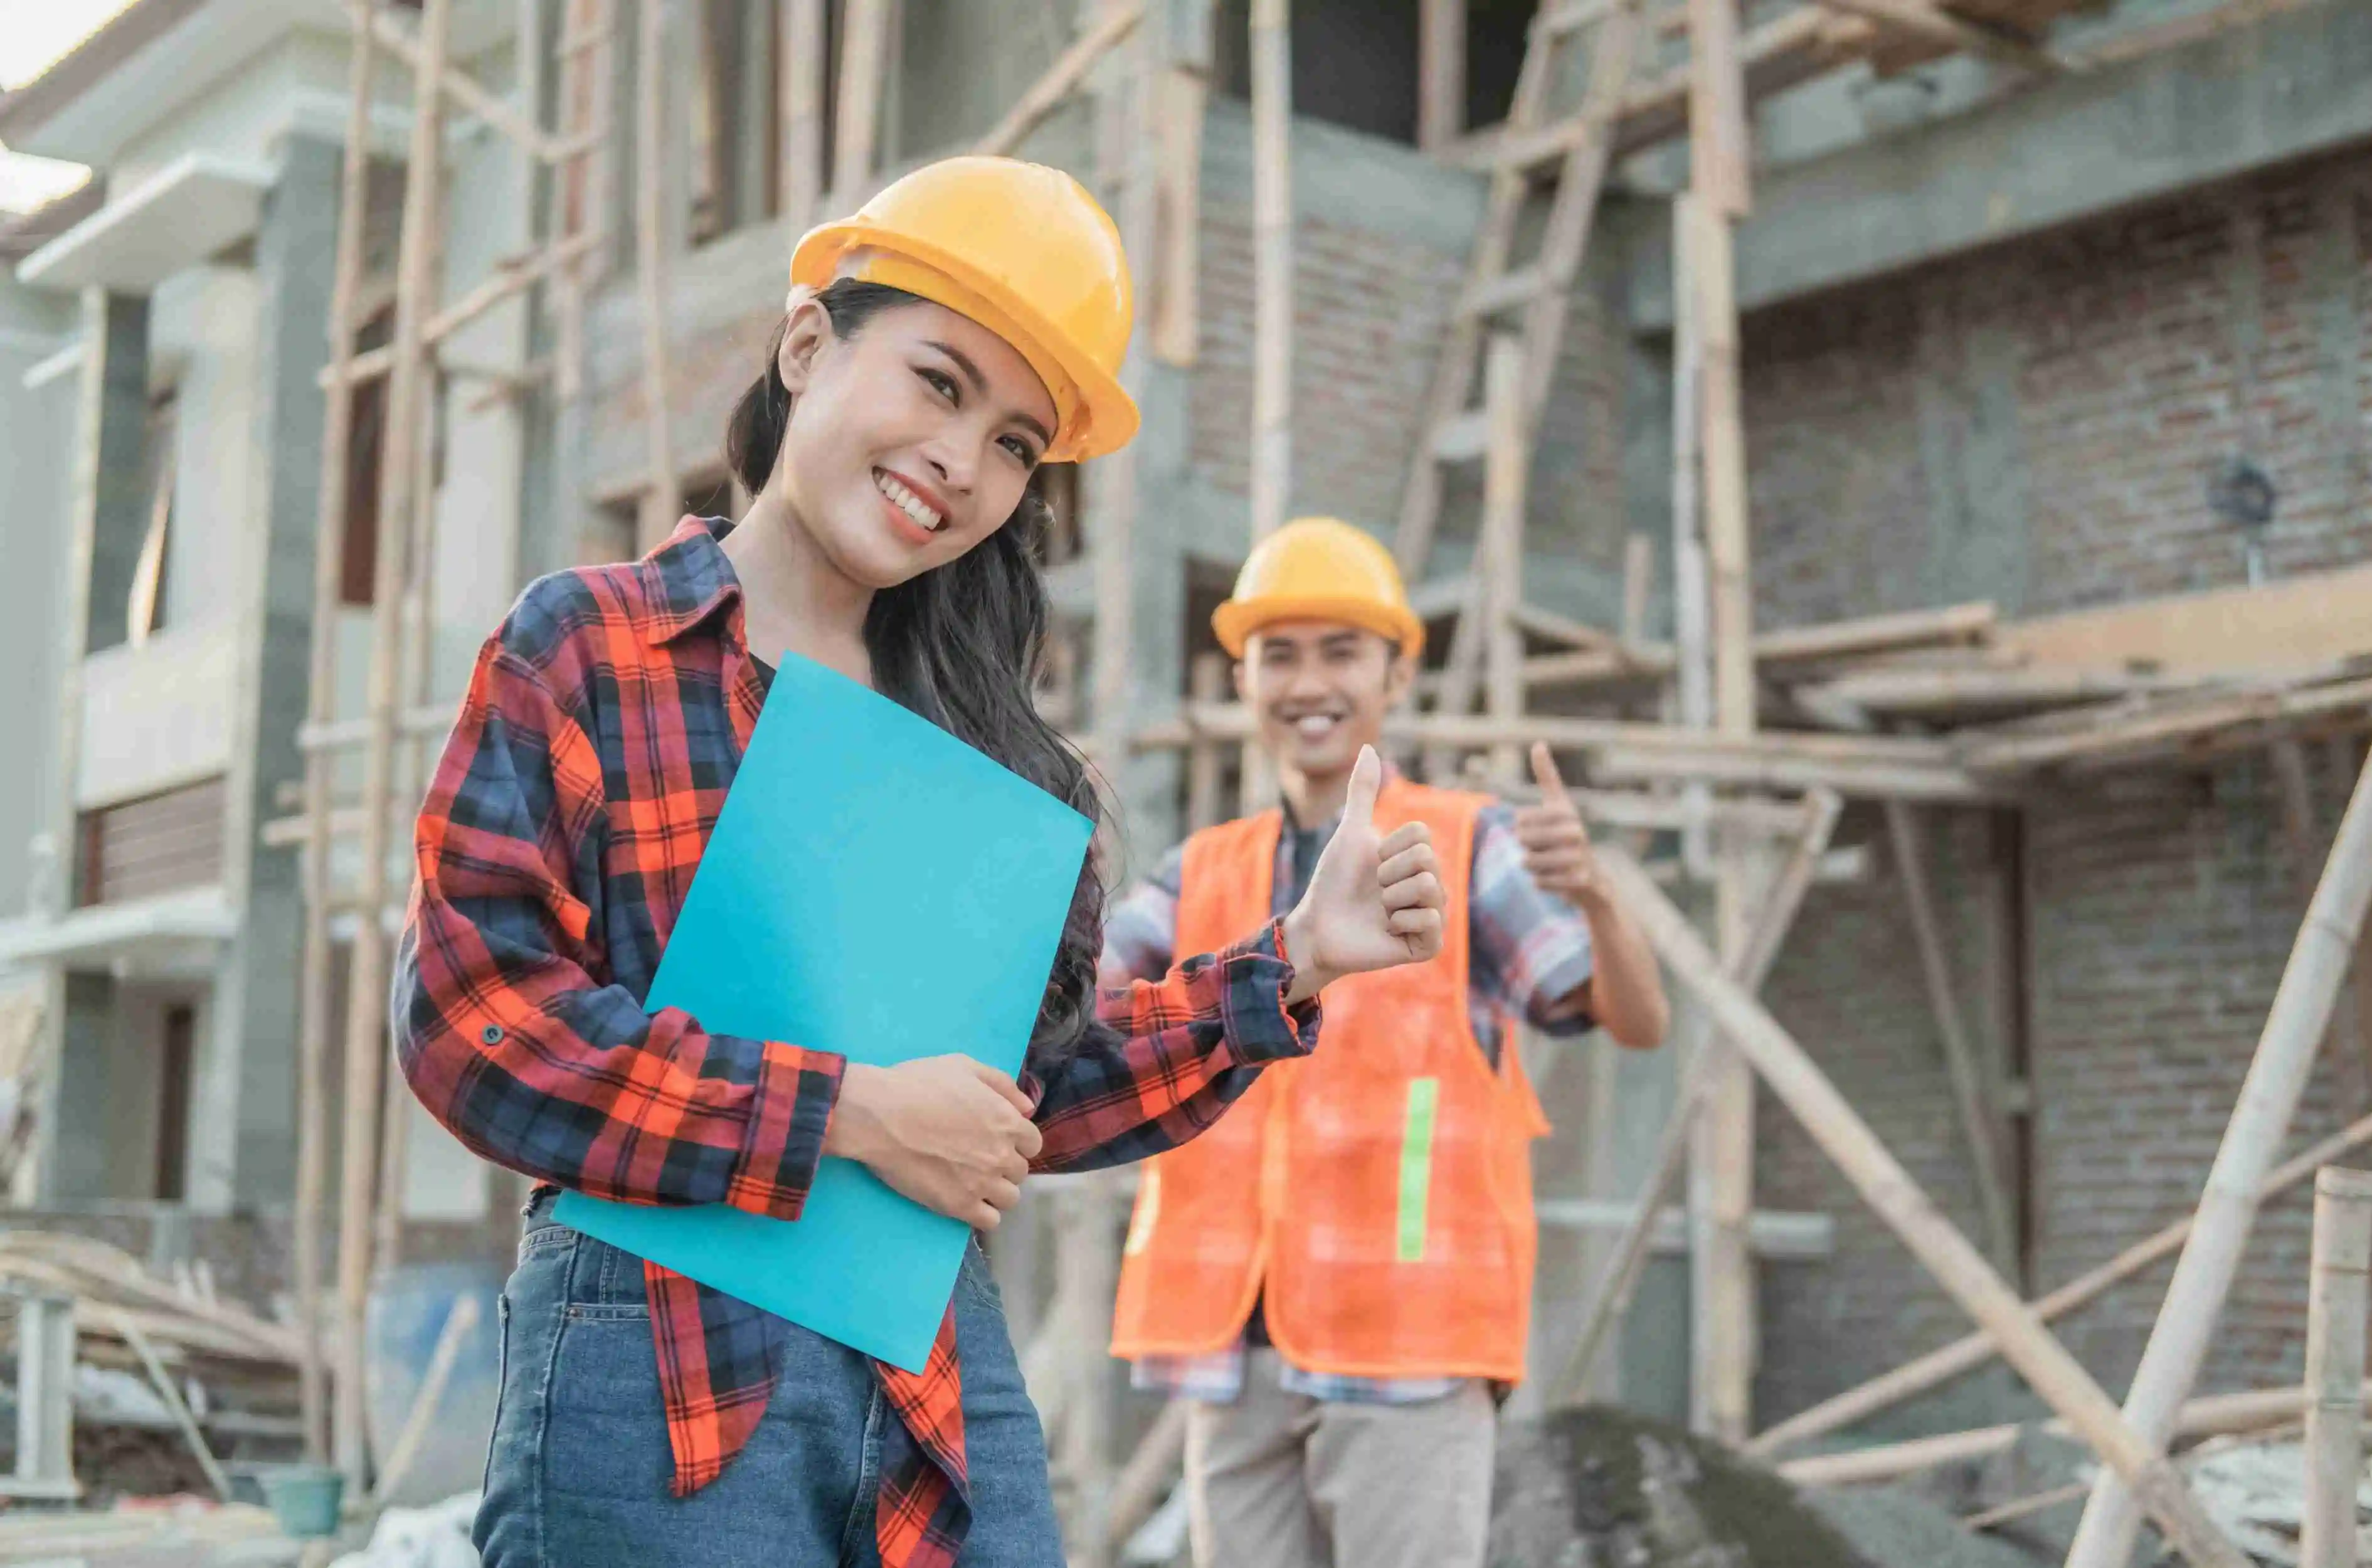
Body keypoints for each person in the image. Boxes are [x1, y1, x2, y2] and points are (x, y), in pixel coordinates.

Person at [393, 160, 1453, 1568]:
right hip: (660, 1369)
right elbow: (475, 1023)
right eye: (941, 383)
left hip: (930, 1372)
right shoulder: (593, 646)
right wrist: (844, 1111)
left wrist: (1294, 961)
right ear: (809, 343)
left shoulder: (977, 738)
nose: (967, 462)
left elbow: (1017, 1095)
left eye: (1018, 442)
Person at [1103, 516, 1673, 1568]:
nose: (1308, 682)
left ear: (1397, 676)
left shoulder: (1468, 845)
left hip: (1413, 1344)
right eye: (1279, 654)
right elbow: (1074, 1005)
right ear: (1243, 680)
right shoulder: (1203, 870)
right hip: (1233, 1345)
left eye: (1342, 651)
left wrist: (1595, 891)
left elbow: (1630, 1019)